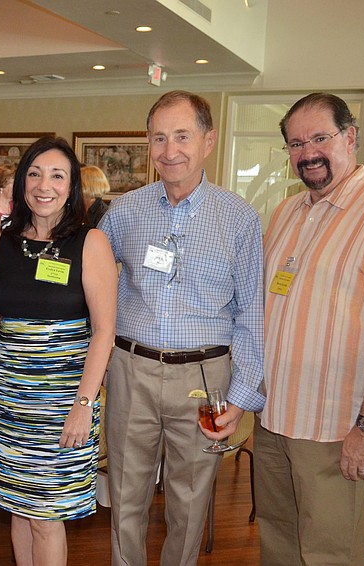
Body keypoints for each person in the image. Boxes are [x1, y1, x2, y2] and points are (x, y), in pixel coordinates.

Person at [257, 92, 364, 565]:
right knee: (278, 542)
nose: (307, 152)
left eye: (319, 138)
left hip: (337, 428)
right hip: (274, 419)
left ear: (350, 138)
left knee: (331, 553)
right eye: (295, 143)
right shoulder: (287, 212)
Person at [98, 90, 265, 566]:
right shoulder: (125, 211)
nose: (170, 150)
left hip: (205, 380)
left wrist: (243, 396)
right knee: (125, 495)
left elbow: (252, 313)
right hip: (132, 370)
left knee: (189, 503)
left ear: (208, 141)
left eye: (182, 136)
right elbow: (91, 280)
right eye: (158, 137)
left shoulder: (239, 218)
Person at [0, 137, 117, 565]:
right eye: (35, 174)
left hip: (62, 402)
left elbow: (104, 333)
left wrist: (83, 405)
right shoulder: (4, 239)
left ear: (72, 186)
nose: (45, 185)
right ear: (22, 183)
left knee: (46, 516)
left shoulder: (89, 242)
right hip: (5, 400)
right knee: (17, 509)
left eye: (58, 175)